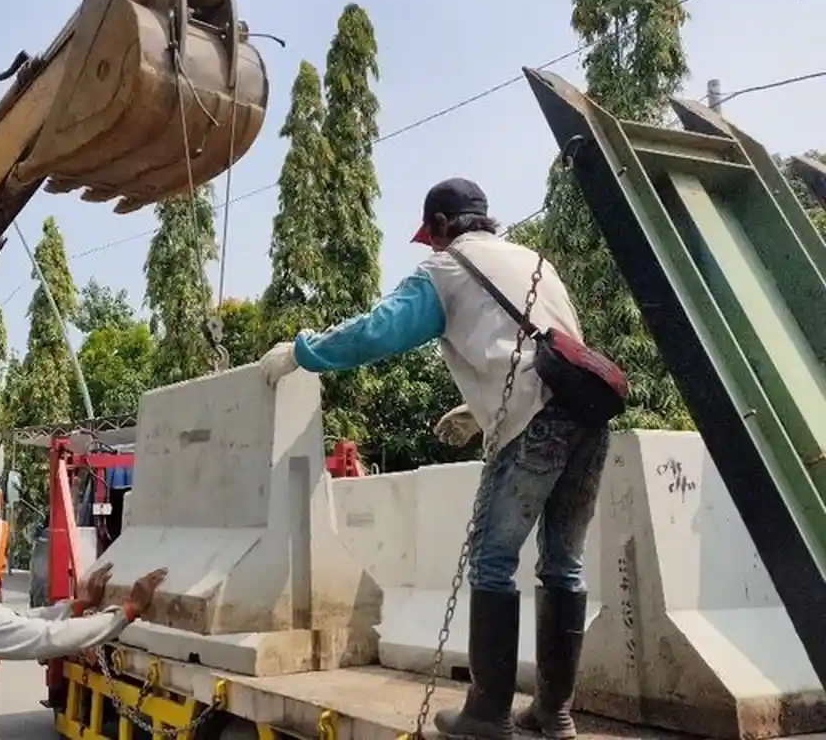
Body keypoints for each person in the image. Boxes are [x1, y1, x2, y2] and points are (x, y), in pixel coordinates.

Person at [258, 177, 610, 740]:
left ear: (442, 225)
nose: (433, 245)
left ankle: (488, 714)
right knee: (563, 564)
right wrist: (479, 409)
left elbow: (379, 332)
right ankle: (553, 713)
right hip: (589, 418)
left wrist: (304, 352)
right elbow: (552, 349)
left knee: (493, 562)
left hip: (533, 425)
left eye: (433, 235)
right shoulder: (532, 260)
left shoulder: (447, 270)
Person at [0, 508, 167, 740]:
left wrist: (76, 606)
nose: (2, 563)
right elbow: (47, 637)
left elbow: (19, 621)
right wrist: (125, 613)